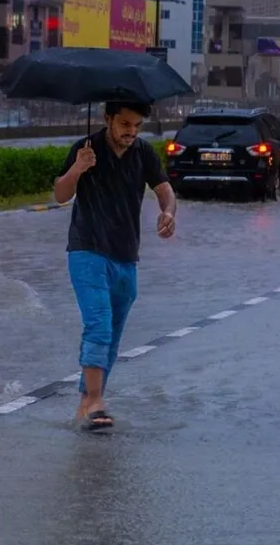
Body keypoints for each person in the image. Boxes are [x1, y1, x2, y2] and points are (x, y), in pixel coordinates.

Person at [53, 101, 176, 431]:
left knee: (113, 334)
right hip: (87, 250)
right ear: (107, 118)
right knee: (99, 324)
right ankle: (96, 401)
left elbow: (164, 189)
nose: (131, 131)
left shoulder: (143, 153)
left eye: (137, 125)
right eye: (124, 124)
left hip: (126, 256)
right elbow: (60, 194)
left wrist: (168, 212)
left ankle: (87, 403)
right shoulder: (85, 149)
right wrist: (78, 168)